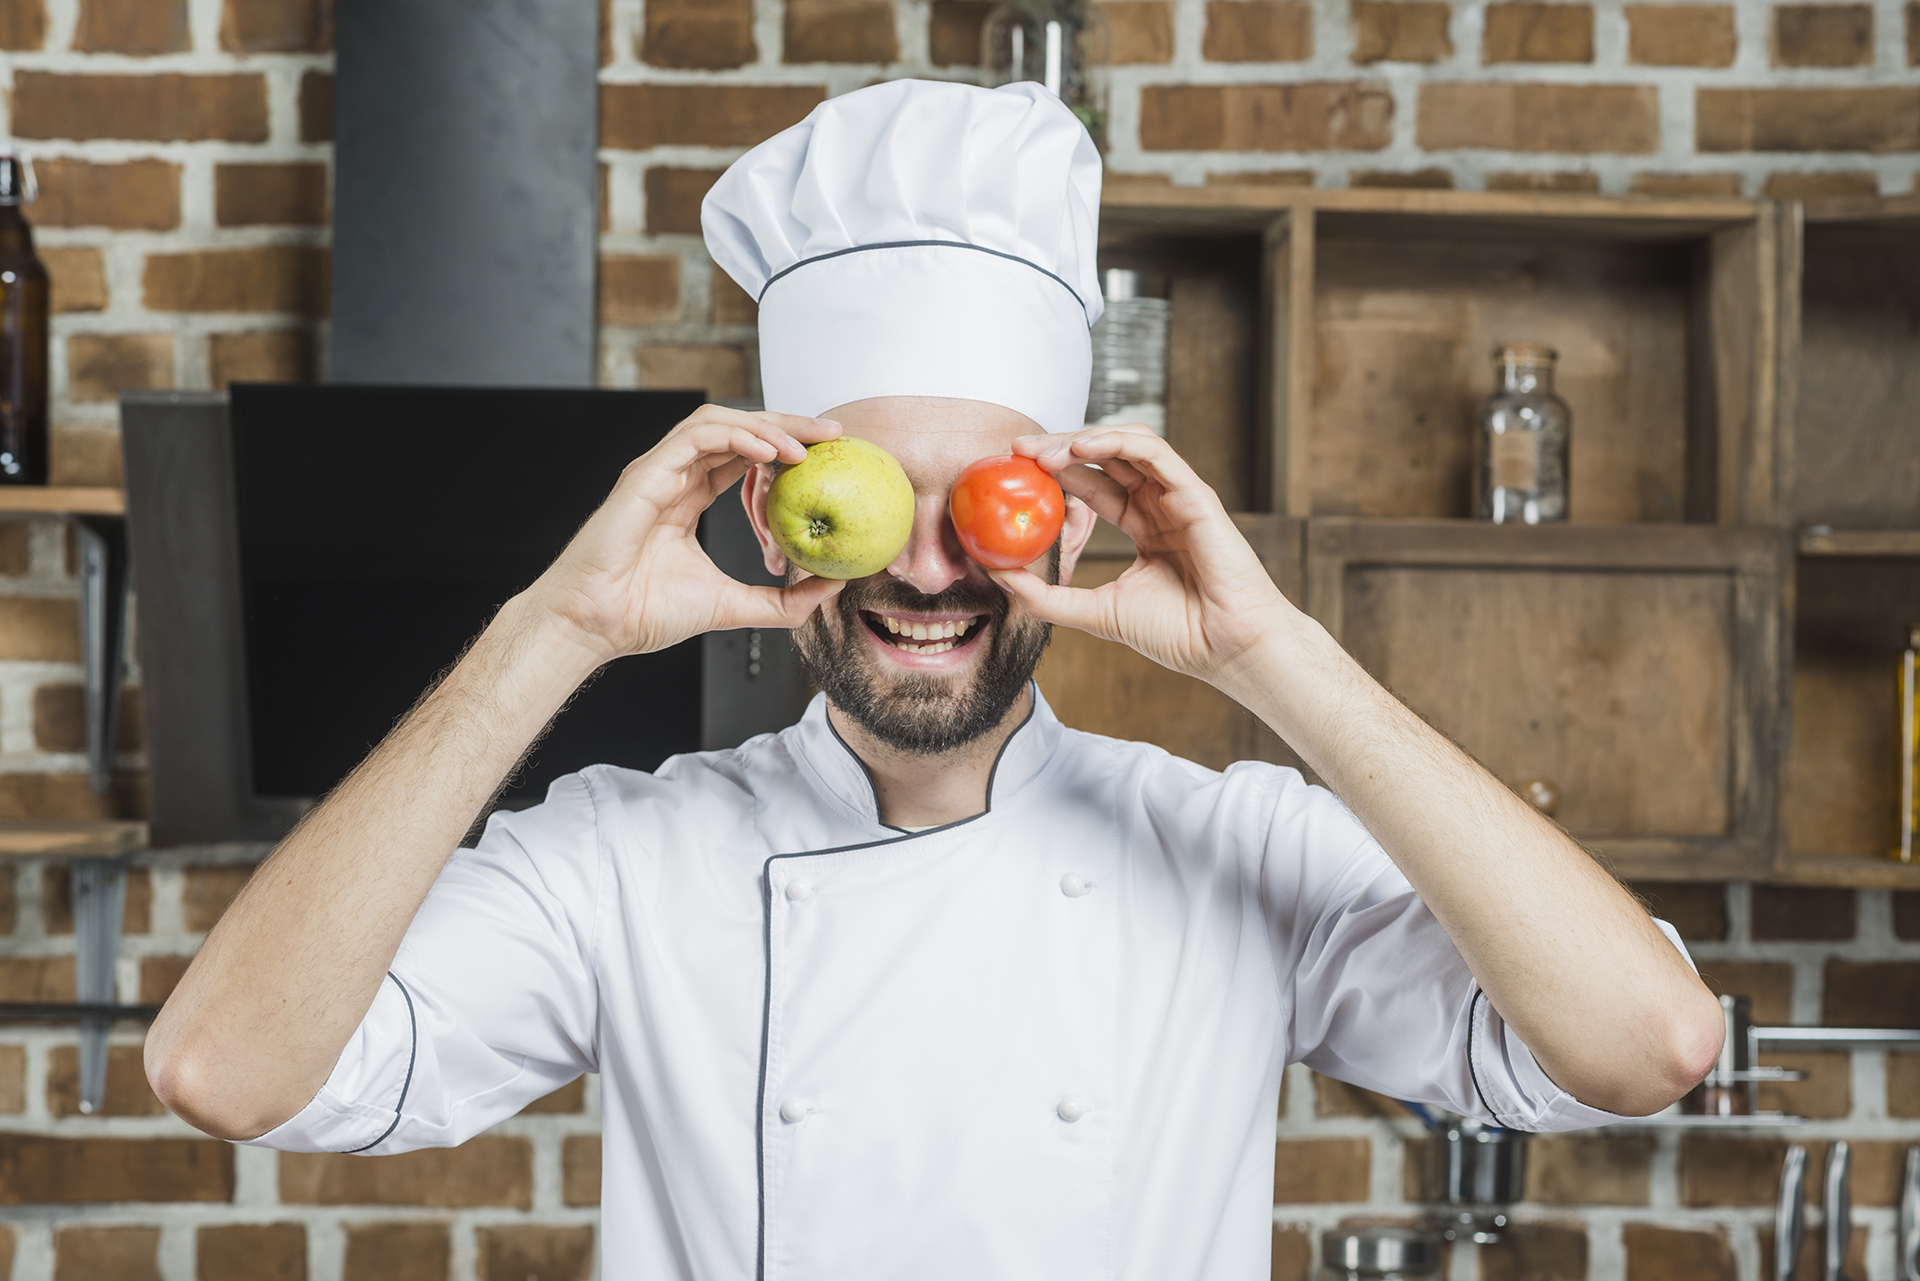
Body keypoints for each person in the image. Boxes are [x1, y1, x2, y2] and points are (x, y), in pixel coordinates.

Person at [146, 80, 1724, 1279]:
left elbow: (1647, 1044)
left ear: (1074, 516)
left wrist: (1277, 656)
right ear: (772, 511)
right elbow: (227, 1067)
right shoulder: (625, 857)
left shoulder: (1232, 846)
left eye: (985, 504)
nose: (924, 567)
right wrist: (548, 629)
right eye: (876, 497)